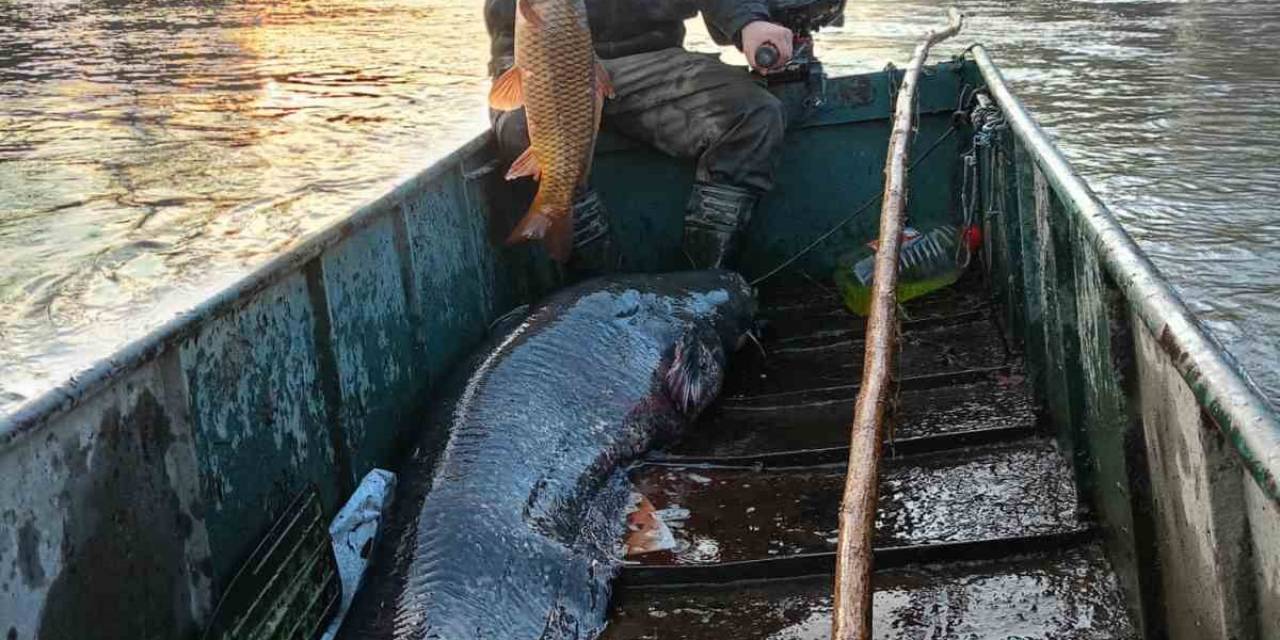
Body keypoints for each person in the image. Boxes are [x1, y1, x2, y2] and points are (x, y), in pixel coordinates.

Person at [485, 0, 793, 272]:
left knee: (754, 113)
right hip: (541, 64)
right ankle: (600, 287)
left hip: (649, 59)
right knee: (519, 130)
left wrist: (749, 21)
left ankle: (703, 284)